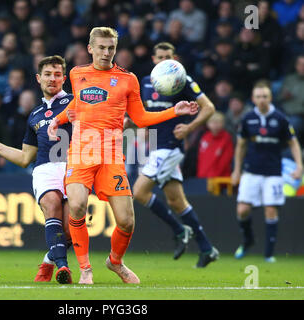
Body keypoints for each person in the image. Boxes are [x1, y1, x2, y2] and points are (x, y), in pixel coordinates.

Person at [48, 27, 198, 284]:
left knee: (127, 221)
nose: (106, 53)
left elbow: (140, 118)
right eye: (102, 47)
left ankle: (115, 262)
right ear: (90, 48)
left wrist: (175, 110)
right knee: (76, 205)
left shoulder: (128, 80)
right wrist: (57, 120)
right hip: (81, 153)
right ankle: (85, 269)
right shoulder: (76, 74)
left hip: (111, 156)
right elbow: (78, 104)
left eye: (111, 48)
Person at [0, 55, 73, 284]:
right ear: (39, 79)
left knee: (70, 230)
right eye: (47, 74)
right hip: (45, 169)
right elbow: (25, 158)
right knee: (51, 204)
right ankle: (62, 267)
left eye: (57, 74)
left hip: (74, 167)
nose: (52, 79)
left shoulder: (74, 103)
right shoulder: (35, 115)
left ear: (64, 78)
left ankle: (48, 262)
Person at [132, 42, 219, 267]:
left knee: (139, 192)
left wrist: (190, 127)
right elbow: (142, 115)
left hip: (170, 147)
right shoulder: (145, 83)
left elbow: (209, 107)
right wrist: (125, 124)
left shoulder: (183, 80)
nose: (163, 60)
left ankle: (180, 231)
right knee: (177, 201)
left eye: (167, 56)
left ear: (175, 58)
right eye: (159, 56)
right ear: (153, 59)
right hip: (156, 147)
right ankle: (207, 248)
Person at [231, 82, 303, 262]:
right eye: (258, 96)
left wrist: (299, 165)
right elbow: (240, 145)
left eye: (265, 96)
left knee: (270, 210)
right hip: (251, 171)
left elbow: (293, 142)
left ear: (270, 98)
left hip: (273, 172)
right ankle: (248, 240)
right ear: (253, 99)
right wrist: (237, 170)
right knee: (242, 210)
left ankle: (269, 254)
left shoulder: (280, 119)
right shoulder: (248, 119)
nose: (262, 100)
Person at [197, 111, 234, 178]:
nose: (215, 125)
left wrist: (214, 175)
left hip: (220, 178)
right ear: (207, 123)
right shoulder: (205, 137)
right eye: (212, 122)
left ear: (223, 123)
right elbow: (201, 159)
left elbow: (226, 160)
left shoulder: (227, 138)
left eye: (218, 122)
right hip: (203, 176)